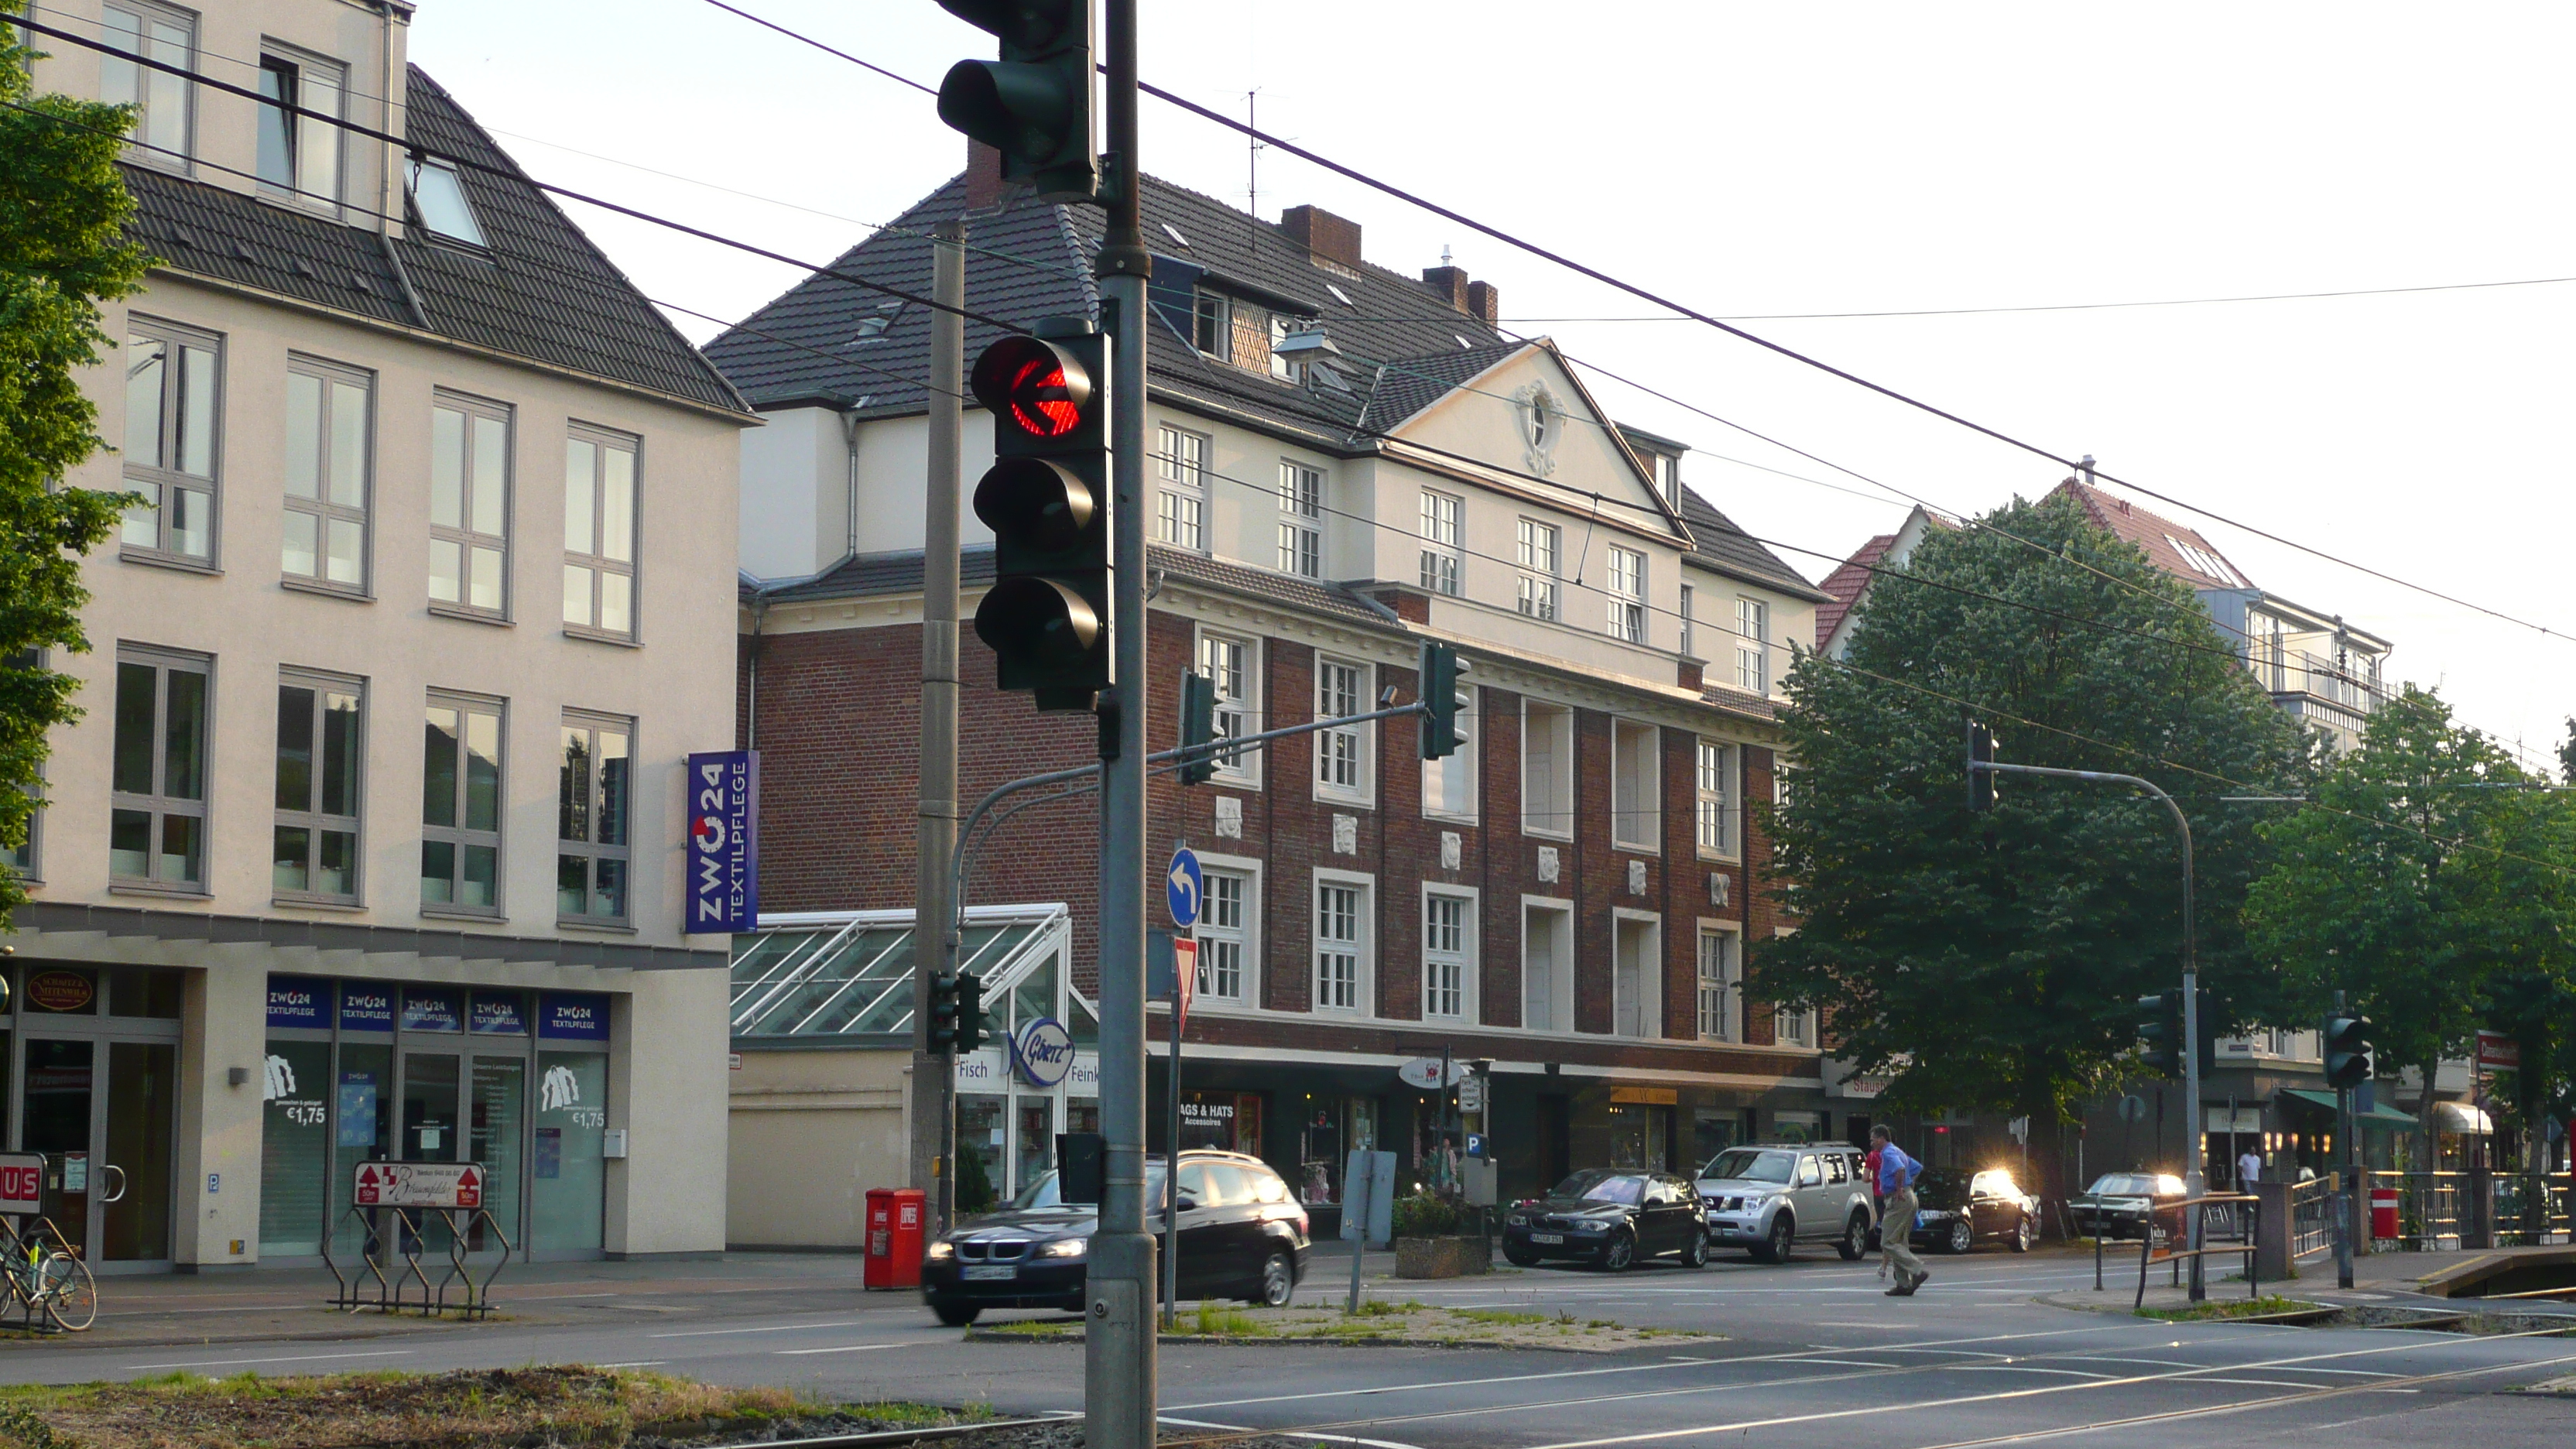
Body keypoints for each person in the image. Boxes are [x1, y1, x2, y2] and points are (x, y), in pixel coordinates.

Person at [1871, 1125, 1930, 1296]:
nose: (1872, 1143)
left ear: (1882, 1138)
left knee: (1887, 1242)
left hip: (1898, 1200)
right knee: (1899, 1242)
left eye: (1873, 1139)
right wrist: (1909, 1187)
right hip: (1908, 1197)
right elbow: (1917, 1167)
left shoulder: (1888, 1154)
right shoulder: (1897, 1151)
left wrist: (1899, 1189)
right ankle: (1903, 1284)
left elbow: (1900, 1169)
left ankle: (1917, 1270)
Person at [1862, 1141, 1887, 1279]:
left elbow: (1865, 1178)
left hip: (1878, 1195)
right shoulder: (1892, 1155)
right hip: (1892, 1194)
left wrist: (1873, 1179)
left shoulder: (1872, 1156)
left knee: (1885, 1230)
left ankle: (1884, 1266)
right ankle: (1886, 1265)